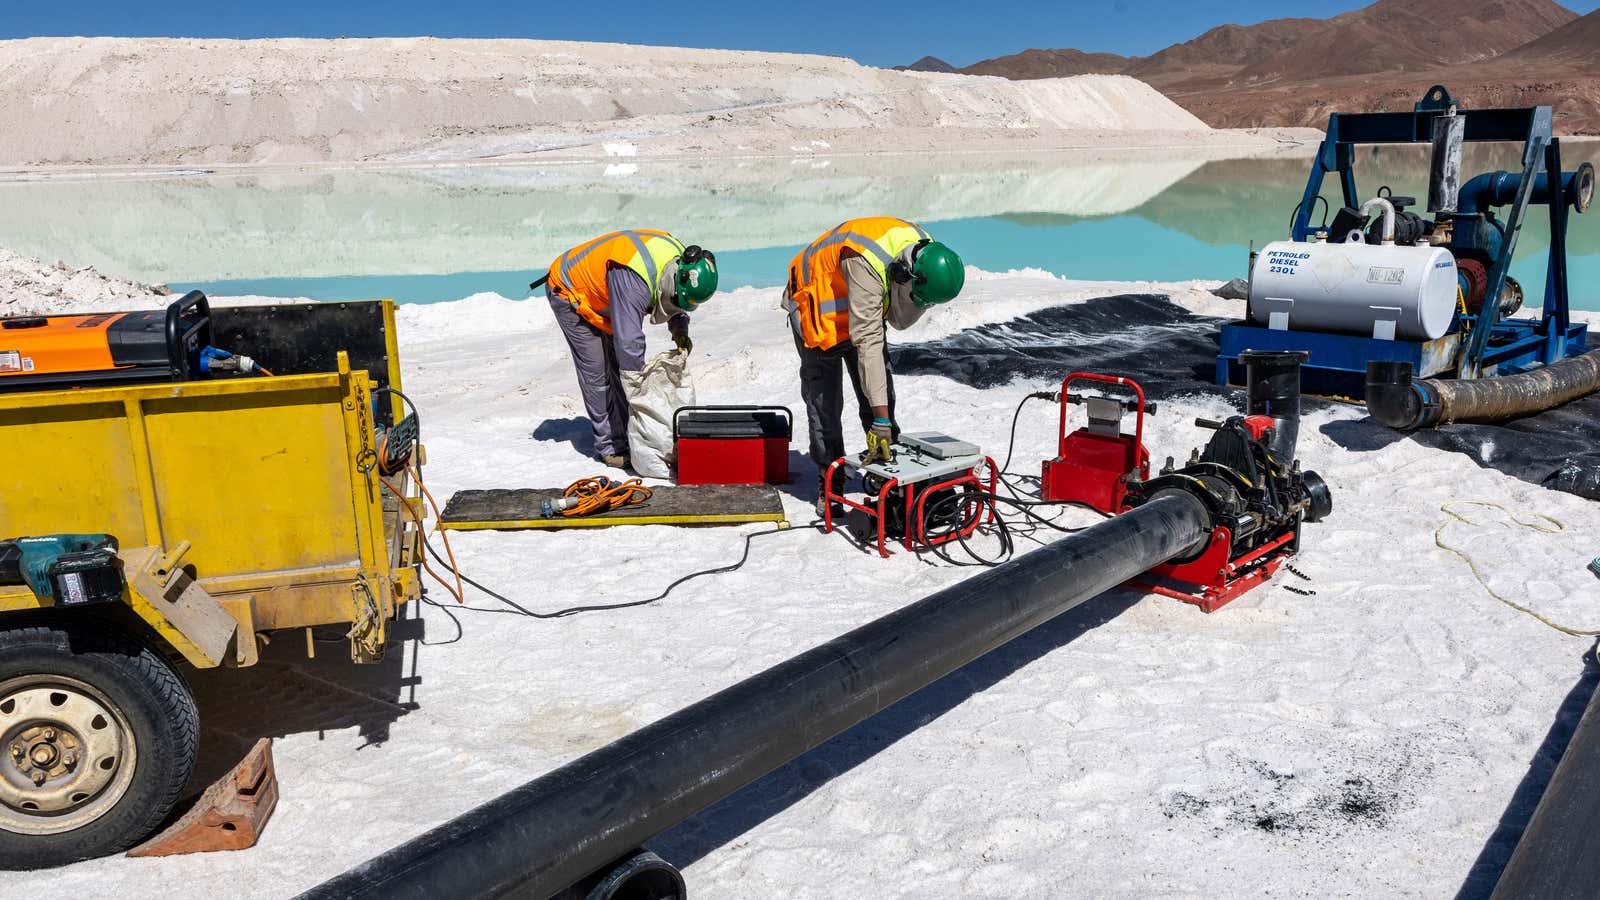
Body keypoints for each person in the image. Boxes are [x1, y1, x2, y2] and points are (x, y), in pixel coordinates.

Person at [783, 216, 965, 511]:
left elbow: (879, 332)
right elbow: (868, 341)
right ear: (906, 273)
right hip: (817, 311)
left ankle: (886, 474)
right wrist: (880, 420)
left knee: (880, 396)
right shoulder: (864, 262)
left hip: (857, 305)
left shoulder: (927, 253)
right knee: (825, 404)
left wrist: (882, 416)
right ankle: (830, 481)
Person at [539, 230, 718, 468]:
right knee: (599, 372)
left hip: (606, 294)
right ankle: (611, 446)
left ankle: (628, 432)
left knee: (618, 368)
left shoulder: (679, 263)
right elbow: (630, 342)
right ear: (678, 276)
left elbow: (676, 297)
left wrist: (680, 329)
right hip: (570, 290)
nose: (674, 305)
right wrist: (639, 388)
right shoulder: (634, 280)